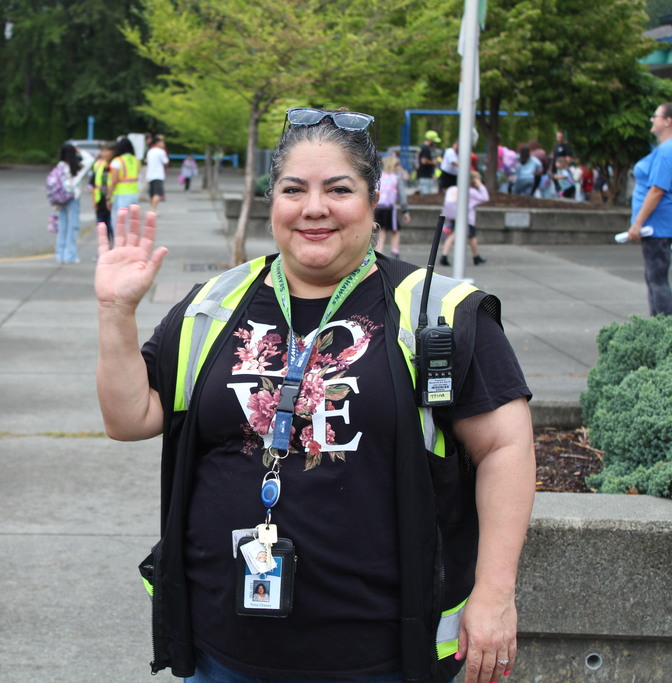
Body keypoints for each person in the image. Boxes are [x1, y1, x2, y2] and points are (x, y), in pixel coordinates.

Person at [96, 107, 535, 683]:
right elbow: (131, 418)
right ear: (272, 200)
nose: (314, 208)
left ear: (373, 199)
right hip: (221, 644)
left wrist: (495, 594)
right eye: (293, 189)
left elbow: (506, 447)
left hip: (377, 652)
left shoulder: (438, 313)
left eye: (339, 189)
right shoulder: (214, 304)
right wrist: (115, 312)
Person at [627, 102, 672, 315]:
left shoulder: (667, 151)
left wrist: (637, 224)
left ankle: (662, 329)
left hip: (657, 227)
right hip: (657, 226)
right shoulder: (663, 150)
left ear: (668, 121)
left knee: (657, 280)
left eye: (656, 116)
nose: (652, 119)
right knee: (655, 279)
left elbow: (657, 190)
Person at [52, 142, 91, 264]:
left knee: (62, 227)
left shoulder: (59, 167)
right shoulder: (77, 168)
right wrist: (80, 151)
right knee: (72, 227)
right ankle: (71, 255)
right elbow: (90, 160)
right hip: (72, 199)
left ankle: (60, 254)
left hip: (60, 199)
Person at [440, 170, 489, 267]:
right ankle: (475, 257)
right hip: (467, 219)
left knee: (457, 235)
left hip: (456, 216)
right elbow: (485, 198)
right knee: (471, 237)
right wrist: (481, 186)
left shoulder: (459, 189)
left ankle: (445, 255)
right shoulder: (472, 192)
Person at [374, 153, 410, 256]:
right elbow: (402, 195)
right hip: (390, 208)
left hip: (378, 207)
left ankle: (378, 252)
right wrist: (405, 211)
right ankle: (395, 250)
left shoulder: (379, 177)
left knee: (381, 231)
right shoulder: (396, 178)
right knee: (395, 230)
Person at [90, 141, 116, 245]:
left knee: (112, 225)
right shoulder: (98, 164)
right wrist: (93, 200)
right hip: (100, 198)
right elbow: (93, 183)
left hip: (111, 199)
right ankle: (104, 248)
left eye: (107, 150)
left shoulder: (115, 164)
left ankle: (114, 248)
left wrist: (110, 198)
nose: (104, 153)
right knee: (101, 225)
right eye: (102, 151)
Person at [108, 137, 139, 217]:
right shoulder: (136, 160)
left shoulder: (117, 161)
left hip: (121, 194)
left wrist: (109, 196)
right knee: (132, 220)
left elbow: (114, 180)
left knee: (119, 221)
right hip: (134, 193)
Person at [145, 135, 170, 213]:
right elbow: (166, 162)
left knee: (152, 194)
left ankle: (152, 208)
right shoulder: (161, 152)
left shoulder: (150, 151)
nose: (163, 144)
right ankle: (153, 209)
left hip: (150, 175)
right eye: (162, 142)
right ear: (158, 143)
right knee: (157, 194)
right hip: (158, 175)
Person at [416, 130, 440, 195]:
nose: (434, 143)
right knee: (425, 194)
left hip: (422, 175)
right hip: (425, 175)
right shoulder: (426, 148)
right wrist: (433, 162)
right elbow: (423, 161)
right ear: (430, 140)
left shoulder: (422, 147)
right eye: (434, 141)